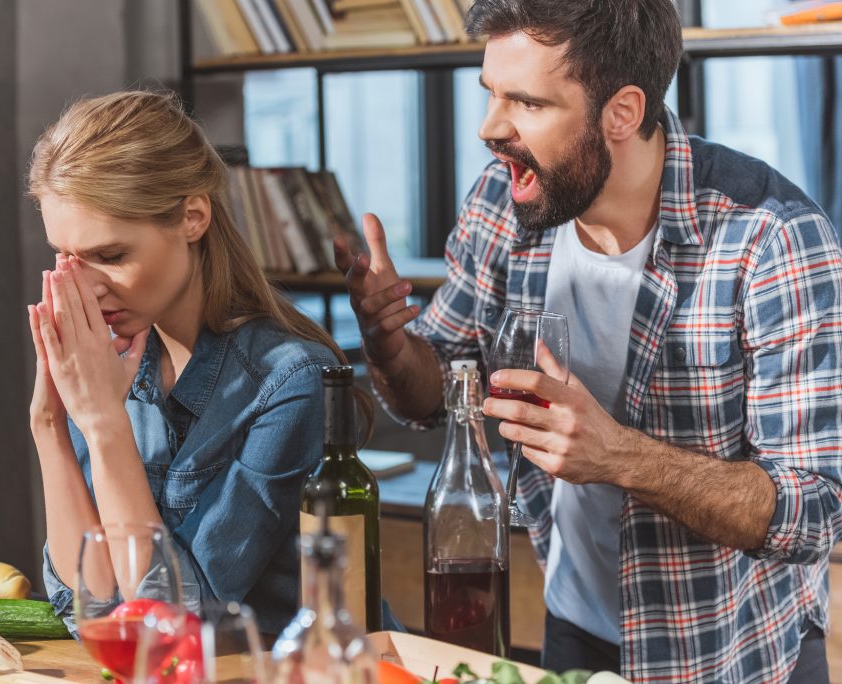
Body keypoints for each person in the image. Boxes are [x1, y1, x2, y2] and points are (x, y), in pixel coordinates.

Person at [335, 1, 842, 682]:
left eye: (528, 104)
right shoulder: (504, 202)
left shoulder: (773, 240)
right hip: (575, 632)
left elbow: (817, 511)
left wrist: (618, 456)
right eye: (491, 94)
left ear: (623, 112)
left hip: (737, 656)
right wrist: (386, 338)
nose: (490, 128)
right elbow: (436, 395)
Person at [25, 90, 361, 636]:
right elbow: (85, 607)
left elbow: (175, 623)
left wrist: (105, 425)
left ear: (193, 217)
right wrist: (49, 426)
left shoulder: (292, 381)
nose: (85, 288)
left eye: (111, 256)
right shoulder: (109, 362)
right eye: (67, 258)